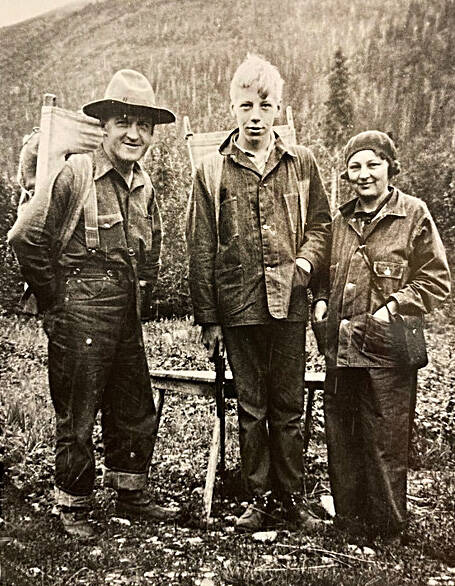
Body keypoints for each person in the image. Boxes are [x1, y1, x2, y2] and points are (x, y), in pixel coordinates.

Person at [9, 69, 178, 538]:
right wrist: (53, 302)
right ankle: (75, 503)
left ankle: (131, 492)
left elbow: (152, 248)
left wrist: (141, 294)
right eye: (123, 121)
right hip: (78, 307)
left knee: (133, 404)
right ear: (104, 126)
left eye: (144, 124)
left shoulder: (142, 183)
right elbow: (25, 238)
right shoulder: (76, 173)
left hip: (125, 309)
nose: (134, 133)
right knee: (79, 411)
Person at [186, 54, 331, 532]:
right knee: (250, 406)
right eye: (245, 105)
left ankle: (293, 498)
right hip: (238, 307)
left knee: (288, 405)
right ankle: (259, 497)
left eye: (264, 106)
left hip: (290, 304)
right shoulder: (211, 172)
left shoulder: (301, 162)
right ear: (232, 108)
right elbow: (201, 246)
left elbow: (321, 226)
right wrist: (208, 319)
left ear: (278, 109)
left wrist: (305, 264)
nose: (254, 115)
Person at [312, 130, 451, 542]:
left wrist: (394, 308)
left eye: (373, 164)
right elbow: (322, 274)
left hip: (388, 351)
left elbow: (436, 279)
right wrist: (320, 301)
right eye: (355, 166)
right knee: (341, 434)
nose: (364, 174)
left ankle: (388, 528)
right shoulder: (339, 220)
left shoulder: (414, 213)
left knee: (385, 438)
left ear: (391, 167)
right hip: (341, 346)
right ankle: (350, 523)